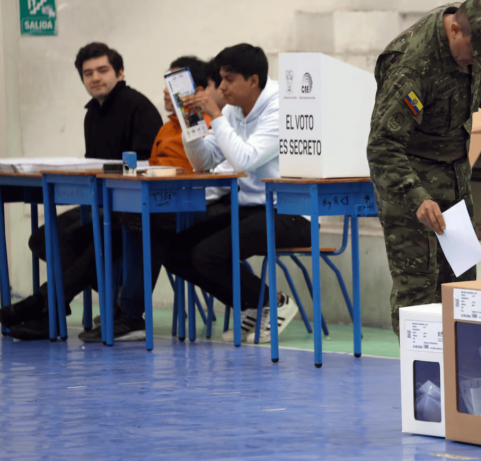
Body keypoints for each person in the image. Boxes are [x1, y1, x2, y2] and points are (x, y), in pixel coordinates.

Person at [367, 0, 481, 336]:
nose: (475, 61)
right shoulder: (410, 64)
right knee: (418, 301)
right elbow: (382, 145)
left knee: (464, 296)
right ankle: (423, 388)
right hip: (413, 192)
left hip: (454, 187)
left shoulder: (469, 48)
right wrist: (417, 197)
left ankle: (461, 386)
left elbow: (477, 84)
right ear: (455, 30)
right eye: (472, 53)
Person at [0, 42, 163, 340]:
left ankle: (46, 308)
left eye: (102, 70)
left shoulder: (138, 107)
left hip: (134, 209)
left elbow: (147, 164)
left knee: (84, 243)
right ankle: (56, 307)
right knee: (42, 239)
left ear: (120, 72)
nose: (95, 78)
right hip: (101, 203)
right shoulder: (92, 113)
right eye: (88, 73)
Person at [155, 44, 310, 344]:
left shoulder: (280, 106)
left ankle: (272, 302)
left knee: (208, 254)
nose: (222, 87)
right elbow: (204, 161)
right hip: (252, 208)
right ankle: (254, 303)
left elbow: (245, 159)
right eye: (220, 79)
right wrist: (192, 123)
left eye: (229, 79)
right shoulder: (233, 110)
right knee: (175, 252)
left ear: (253, 80)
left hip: (290, 211)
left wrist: (216, 115)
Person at [78, 55, 215, 343]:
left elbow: (202, 168)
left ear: (199, 90)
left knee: (143, 223)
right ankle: (120, 309)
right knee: (119, 219)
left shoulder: (204, 123)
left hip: (193, 207)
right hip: (161, 202)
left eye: (175, 84)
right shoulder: (166, 128)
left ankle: (130, 314)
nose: (167, 91)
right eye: (167, 83)